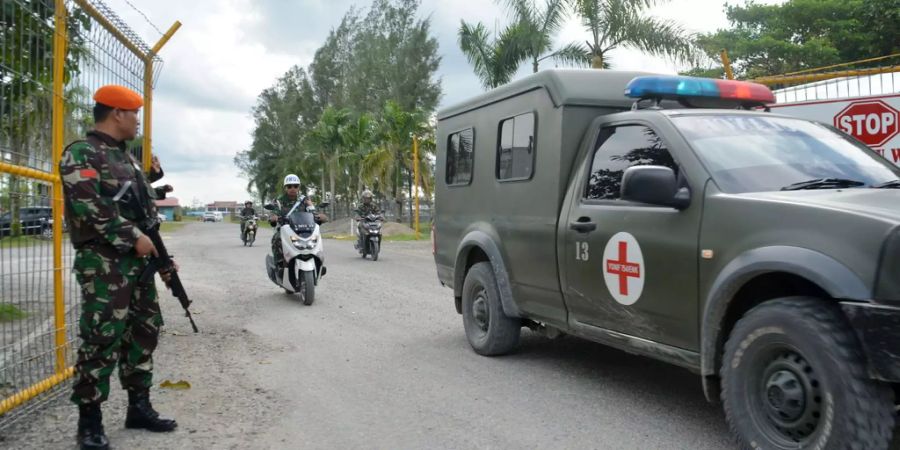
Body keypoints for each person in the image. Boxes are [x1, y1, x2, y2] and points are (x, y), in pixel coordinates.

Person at [60, 85, 177, 450]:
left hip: (137, 263)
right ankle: (89, 423)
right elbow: (88, 207)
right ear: (117, 113)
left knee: (144, 330)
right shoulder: (82, 153)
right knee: (101, 336)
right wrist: (131, 237)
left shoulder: (124, 158)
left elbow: (143, 209)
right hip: (104, 263)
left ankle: (138, 407)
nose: (138, 120)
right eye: (134, 114)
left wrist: (160, 255)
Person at [269, 174, 313, 270]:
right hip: (285, 229)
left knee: (315, 239)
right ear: (285, 188)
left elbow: (313, 212)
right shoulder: (278, 201)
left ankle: (317, 261)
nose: (292, 188)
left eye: (295, 186)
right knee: (276, 239)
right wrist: (273, 217)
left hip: (302, 229)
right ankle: (278, 265)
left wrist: (319, 215)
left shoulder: (304, 200)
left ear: (298, 187)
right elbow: (274, 212)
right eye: (289, 186)